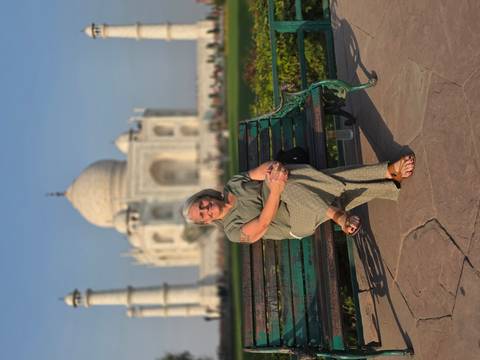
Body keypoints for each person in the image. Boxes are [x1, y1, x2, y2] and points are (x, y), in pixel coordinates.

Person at [182, 155, 415, 244]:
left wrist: (275, 169)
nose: (206, 210)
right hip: (296, 223)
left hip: (297, 190)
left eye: (201, 204)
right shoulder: (233, 232)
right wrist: (275, 189)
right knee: (294, 184)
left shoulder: (232, 185)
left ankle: (387, 181)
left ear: (205, 196)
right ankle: (385, 172)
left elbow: (260, 171)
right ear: (206, 222)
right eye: (202, 215)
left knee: (297, 181)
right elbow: (262, 224)